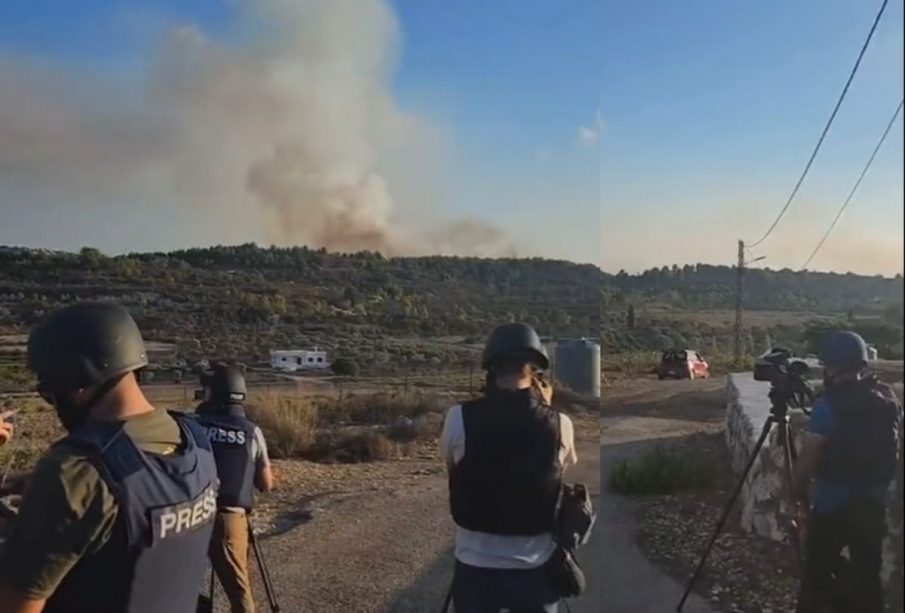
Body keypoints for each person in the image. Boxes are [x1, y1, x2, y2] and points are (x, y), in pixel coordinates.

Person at [0, 302, 219, 613]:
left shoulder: (74, 469)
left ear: (76, 383)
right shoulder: (196, 441)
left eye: (50, 393)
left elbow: (15, 606)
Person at [441, 323, 577, 613]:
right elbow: (558, 470)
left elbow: (453, 468)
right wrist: (546, 408)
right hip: (536, 571)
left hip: (474, 569)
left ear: (490, 370)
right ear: (536, 373)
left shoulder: (458, 418)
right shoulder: (560, 424)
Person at [792, 331, 903, 613]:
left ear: (831, 366)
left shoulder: (827, 407)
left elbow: (808, 461)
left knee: (816, 576)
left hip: (831, 505)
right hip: (873, 504)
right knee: (868, 577)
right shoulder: (888, 397)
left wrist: (798, 494)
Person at [194, 364, 275, 613]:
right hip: (230, 518)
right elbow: (266, 484)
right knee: (239, 591)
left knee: (181, 583)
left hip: (188, 515)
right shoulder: (252, 432)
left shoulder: (193, 426)